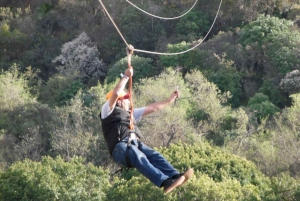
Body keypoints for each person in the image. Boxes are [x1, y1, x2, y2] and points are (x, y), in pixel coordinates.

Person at [100, 67, 193, 194]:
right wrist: (126, 76)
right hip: (120, 149)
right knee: (138, 155)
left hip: (134, 144)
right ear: (119, 102)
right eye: (126, 99)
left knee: (155, 155)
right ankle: (164, 182)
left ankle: (174, 176)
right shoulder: (108, 110)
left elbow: (152, 108)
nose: (129, 101)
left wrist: (169, 100)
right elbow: (116, 94)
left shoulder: (130, 114)